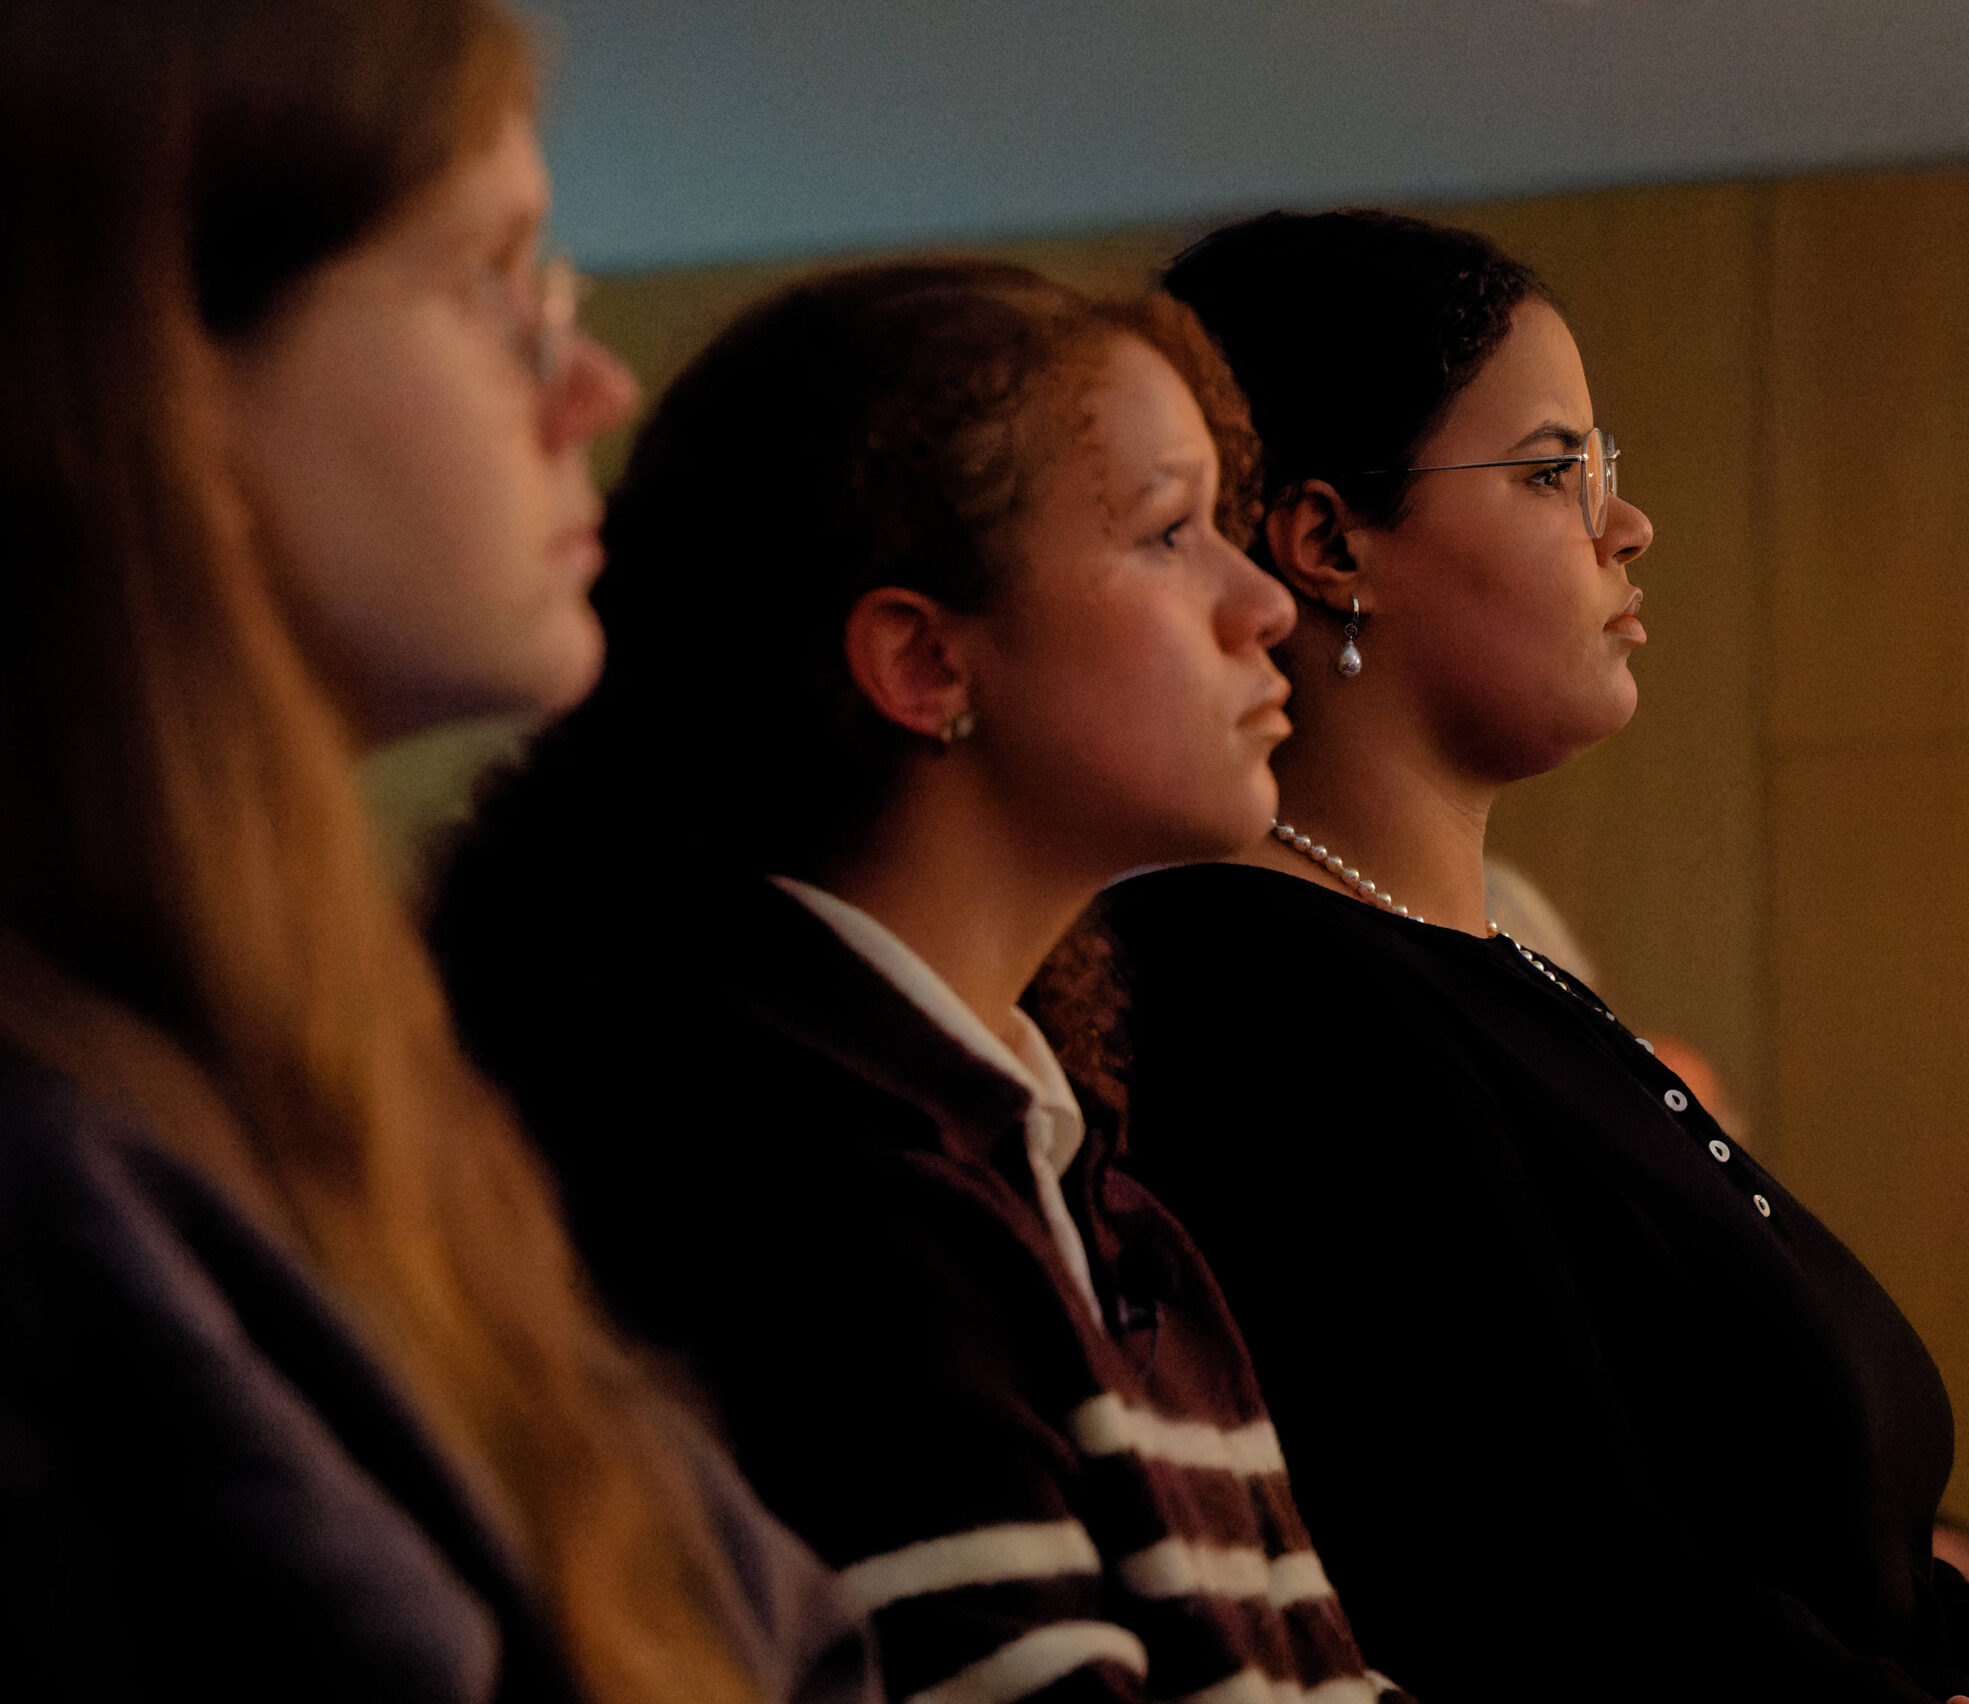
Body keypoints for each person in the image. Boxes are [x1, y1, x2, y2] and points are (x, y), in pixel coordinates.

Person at [1096, 208, 1969, 1704]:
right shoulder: (1262, 993)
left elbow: (1832, 1551)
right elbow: (1545, 1597)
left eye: (1607, 468)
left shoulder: (1494, 974)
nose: (1626, 523)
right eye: (1552, 471)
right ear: (1332, 542)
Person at [0, 3, 872, 1701]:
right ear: (158, 376)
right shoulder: (54, 1186)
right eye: (493, 280)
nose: (589, 386)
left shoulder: (347, 1086)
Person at [431, 261, 1410, 1704]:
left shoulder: (1102, 1214)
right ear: (923, 658)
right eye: (1167, 534)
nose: (1263, 601)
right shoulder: (781, 1184)